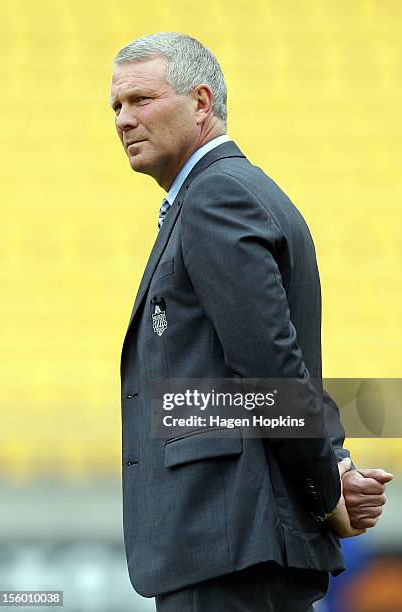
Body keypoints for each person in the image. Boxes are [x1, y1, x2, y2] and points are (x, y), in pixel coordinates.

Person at [110, 32, 393, 611]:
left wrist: (322, 495)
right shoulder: (233, 193)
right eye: (117, 106)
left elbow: (268, 368)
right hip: (239, 543)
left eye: (141, 100)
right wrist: (334, 464)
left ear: (201, 102)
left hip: (229, 540)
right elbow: (268, 365)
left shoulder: (217, 197)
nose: (123, 119)